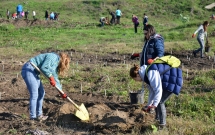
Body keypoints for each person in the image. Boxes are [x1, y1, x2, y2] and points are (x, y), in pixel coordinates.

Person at [130, 64, 183, 128]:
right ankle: (157, 119)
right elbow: (152, 92)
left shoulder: (150, 73)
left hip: (173, 80)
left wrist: (154, 104)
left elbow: (158, 90)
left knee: (160, 101)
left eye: (135, 79)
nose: (136, 81)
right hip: (169, 80)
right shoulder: (145, 75)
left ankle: (162, 125)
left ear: (137, 75)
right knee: (157, 100)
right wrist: (149, 105)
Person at [21, 52, 70, 121]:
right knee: (34, 94)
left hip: (34, 72)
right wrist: (51, 77)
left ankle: (39, 115)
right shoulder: (53, 57)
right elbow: (44, 67)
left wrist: (61, 92)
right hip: (29, 69)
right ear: (63, 60)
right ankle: (32, 117)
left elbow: (55, 79)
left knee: (41, 93)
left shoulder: (55, 65)